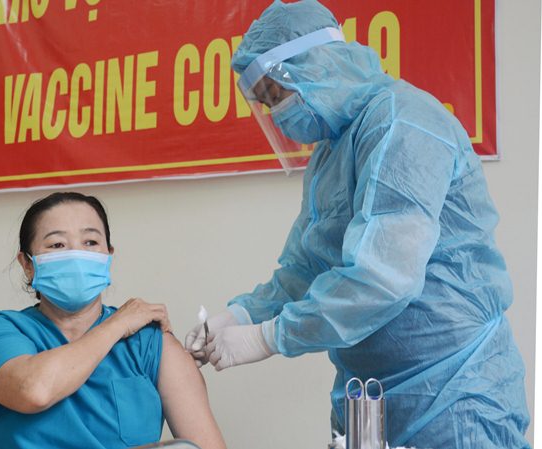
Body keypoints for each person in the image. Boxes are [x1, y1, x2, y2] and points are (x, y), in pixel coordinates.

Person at [184, 1, 530, 448]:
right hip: (369, 396)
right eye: (267, 102)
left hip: (454, 391)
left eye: (278, 94)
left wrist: (268, 337)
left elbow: (384, 278)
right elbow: (305, 268)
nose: (278, 113)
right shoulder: (330, 153)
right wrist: (236, 316)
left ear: (314, 64)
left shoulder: (404, 122)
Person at [0, 192, 226, 449]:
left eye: (90, 242)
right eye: (57, 245)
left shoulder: (150, 344)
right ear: (28, 264)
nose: (77, 255)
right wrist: (116, 325)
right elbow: (33, 390)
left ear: (108, 256)